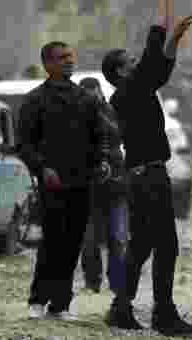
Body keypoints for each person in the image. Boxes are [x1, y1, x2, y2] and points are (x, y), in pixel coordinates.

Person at [101, 0, 192, 335]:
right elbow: (154, 51)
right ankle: (164, 315)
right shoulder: (128, 91)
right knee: (167, 247)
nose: (135, 62)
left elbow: (159, 66)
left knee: (142, 247)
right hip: (148, 178)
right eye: (129, 61)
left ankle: (120, 308)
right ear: (120, 71)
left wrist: (173, 39)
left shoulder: (134, 91)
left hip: (142, 176)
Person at [17, 41, 111, 322]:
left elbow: (100, 136)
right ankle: (38, 300)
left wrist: (103, 160)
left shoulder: (87, 99)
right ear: (48, 64)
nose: (69, 61)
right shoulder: (35, 100)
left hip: (82, 181)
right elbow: (24, 143)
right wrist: (42, 167)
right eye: (62, 58)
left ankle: (60, 304)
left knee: (72, 243)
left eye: (71, 57)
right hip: (52, 183)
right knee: (52, 241)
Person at [78, 77, 129, 299]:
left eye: (94, 94)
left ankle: (117, 284)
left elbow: (121, 135)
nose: (91, 98)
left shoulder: (112, 111)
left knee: (117, 239)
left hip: (116, 187)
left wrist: (98, 115)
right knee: (89, 242)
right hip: (88, 191)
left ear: (100, 92)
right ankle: (92, 283)